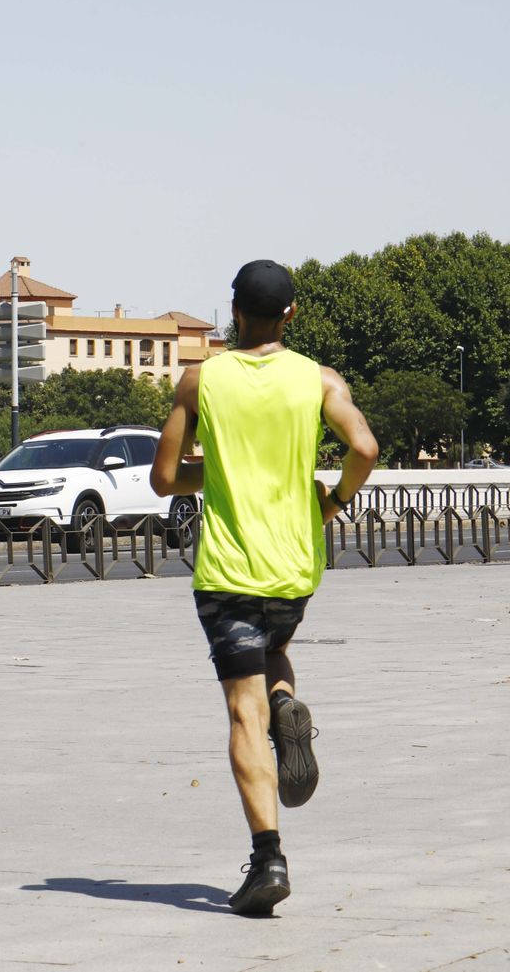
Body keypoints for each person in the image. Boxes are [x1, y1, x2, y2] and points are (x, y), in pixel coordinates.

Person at [151, 260, 379, 917]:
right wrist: (333, 500)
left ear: (233, 310)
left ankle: (267, 857)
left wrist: (219, 474)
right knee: (273, 653)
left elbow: (166, 477)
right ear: (291, 314)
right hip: (293, 567)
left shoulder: (202, 379)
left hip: (228, 571)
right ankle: (288, 701)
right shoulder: (319, 380)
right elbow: (363, 445)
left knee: (240, 711)